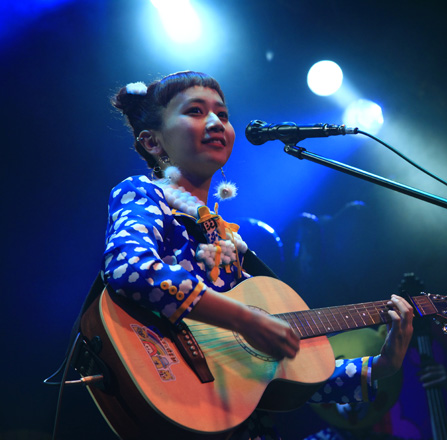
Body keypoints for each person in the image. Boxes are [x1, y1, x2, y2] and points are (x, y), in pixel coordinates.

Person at [101, 71, 414, 439]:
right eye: (196, 111)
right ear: (153, 142)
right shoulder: (144, 193)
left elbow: (279, 376)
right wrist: (244, 318)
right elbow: (128, 268)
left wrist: (380, 366)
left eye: (223, 114)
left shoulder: (225, 239)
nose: (216, 122)